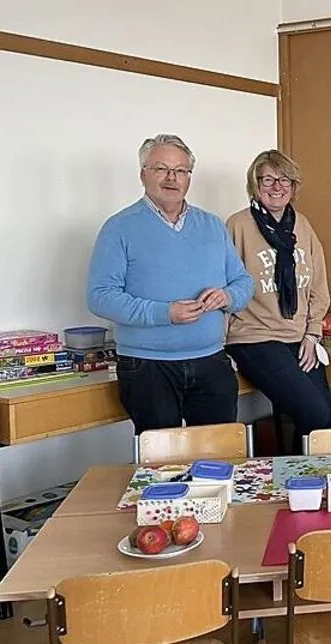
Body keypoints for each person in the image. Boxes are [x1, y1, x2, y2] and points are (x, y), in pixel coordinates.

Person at [87, 134, 254, 435]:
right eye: (161, 168)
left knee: (218, 459)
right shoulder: (119, 227)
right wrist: (165, 313)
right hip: (147, 367)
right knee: (160, 468)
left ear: (189, 177)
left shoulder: (212, 225)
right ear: (143, 174)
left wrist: (227, 296)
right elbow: (100, 296)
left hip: (211, 362)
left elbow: (243, 283)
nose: (171, 178)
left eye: (180, 171)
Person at [224, 150, 331, 453]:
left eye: (284, 179)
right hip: (254, 338)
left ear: (294, 186)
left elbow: (318, 286)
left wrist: (313, 334)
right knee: (315, 413)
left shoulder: (302, 226)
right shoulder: (237, 226)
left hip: (300, 337)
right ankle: (294, 482)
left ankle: (302, 483)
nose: (277, 187)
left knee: (327, 421)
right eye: (268, 179)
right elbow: (222, 287)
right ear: (255, 185)